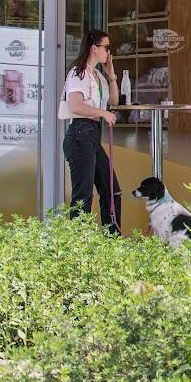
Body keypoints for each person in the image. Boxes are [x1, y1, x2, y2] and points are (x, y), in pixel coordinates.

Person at [62, 29, 121, 232]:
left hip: (93, 135)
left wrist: (112, 76)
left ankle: (111, 242)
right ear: (94, 48)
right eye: (106, 47)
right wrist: (103, 113)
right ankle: (78, 246)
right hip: (80, 133)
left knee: (112, 191)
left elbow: (114, 101)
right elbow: (75, 106)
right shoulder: (78, 73)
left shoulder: (98, 75)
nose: (108, 52)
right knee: (83, 195)